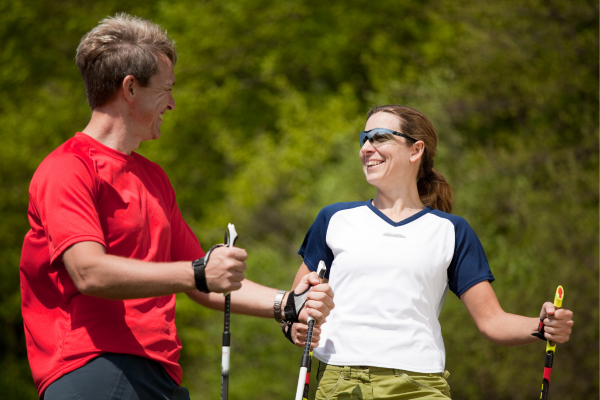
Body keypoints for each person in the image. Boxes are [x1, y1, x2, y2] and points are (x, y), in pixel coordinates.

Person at [19, 14, 334, 400]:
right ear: (130, 89)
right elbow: (89, 272)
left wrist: (286, 304)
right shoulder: (68, 168)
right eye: (165, 90)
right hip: (95, 366)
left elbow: (203, 282)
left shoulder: (153, 177)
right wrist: (197, 272)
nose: (171, 103)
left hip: (156, 373)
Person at [288, 105, 574, 399]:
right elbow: (294, 305)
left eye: (380, 137)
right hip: (340, 382)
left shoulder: (452, 231)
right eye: (364, 138)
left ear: (416, 150)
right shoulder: (334, 219)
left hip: (420, 386)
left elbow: (492, 321)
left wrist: (542, 327)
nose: (367, 147)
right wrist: (294, 326)